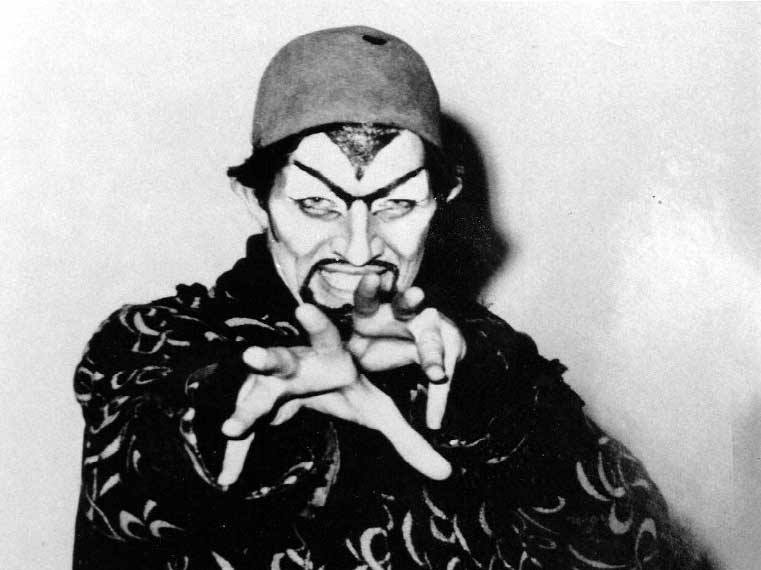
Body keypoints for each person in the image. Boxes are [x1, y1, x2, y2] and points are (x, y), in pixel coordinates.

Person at [73, 26, 689, 569]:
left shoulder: (478, 355)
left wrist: (493, 407)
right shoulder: (152, 343)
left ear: (441, 202)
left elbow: (642, 548)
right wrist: (238, 413)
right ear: (257, 200)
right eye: (317, 204)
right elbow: (128, 482)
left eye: (397, 205)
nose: (359, 246)